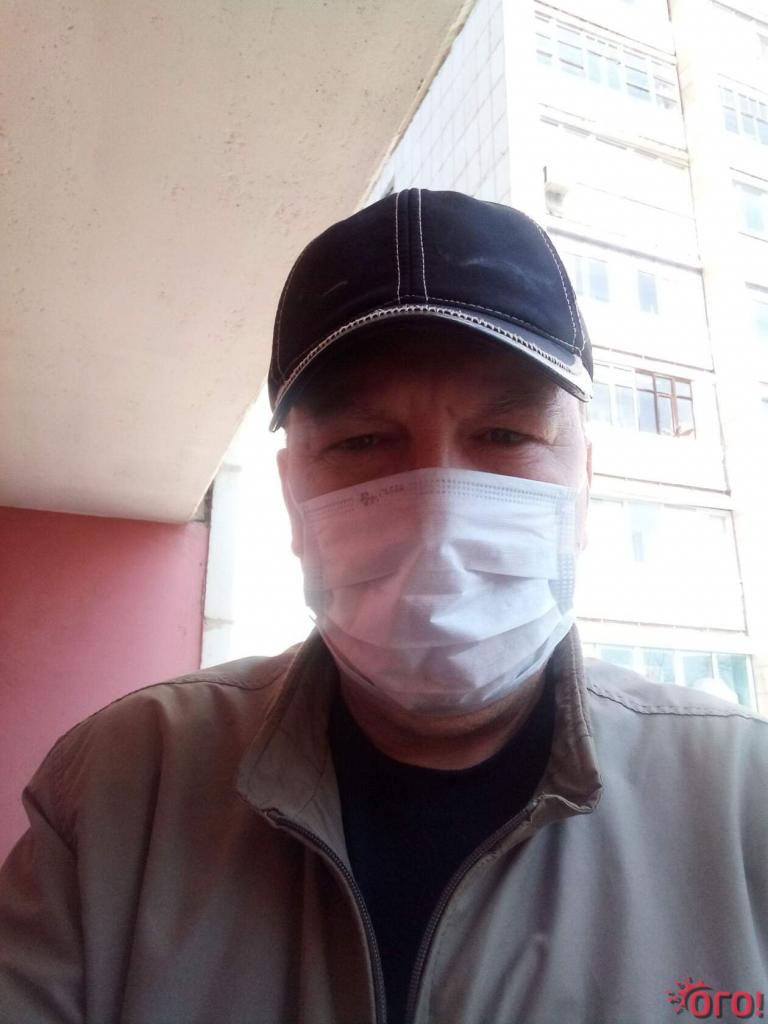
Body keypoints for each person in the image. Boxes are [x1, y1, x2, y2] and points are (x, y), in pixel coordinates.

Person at [0, 189, 766, 1024]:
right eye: (362, 443)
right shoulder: (120, 789)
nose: (437, 519)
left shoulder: (743, 802)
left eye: (506, 436)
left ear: (582, 482)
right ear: (293, 502)